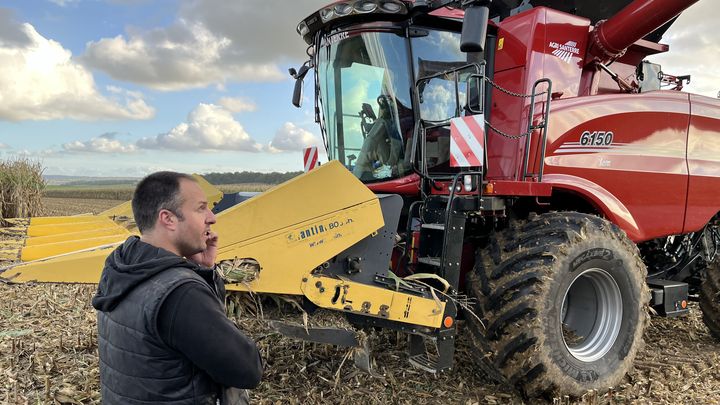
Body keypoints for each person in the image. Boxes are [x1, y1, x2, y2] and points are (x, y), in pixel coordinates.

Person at [92, 171, 262, 404]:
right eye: (201, 208)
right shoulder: (180, 293)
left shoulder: (122, 268)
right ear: (168, 219)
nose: (212, 217)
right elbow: (247, 370)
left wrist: (205, 269)